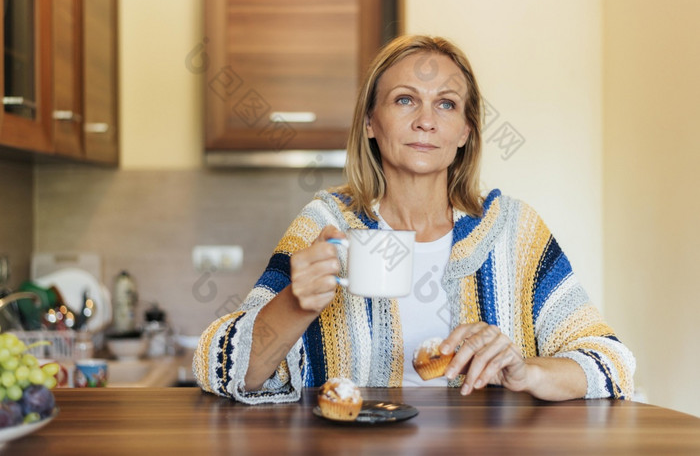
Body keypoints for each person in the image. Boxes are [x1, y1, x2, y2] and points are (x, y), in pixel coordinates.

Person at [193, 35, 635, 404]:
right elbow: (222, 371)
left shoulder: (514, 232)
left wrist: (525, 370)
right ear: (370, 122)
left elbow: (612, 365)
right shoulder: (325, 223)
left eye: (446, 105)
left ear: (465, 131)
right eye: (405, 100)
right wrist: (295, 303)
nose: (426, 121)